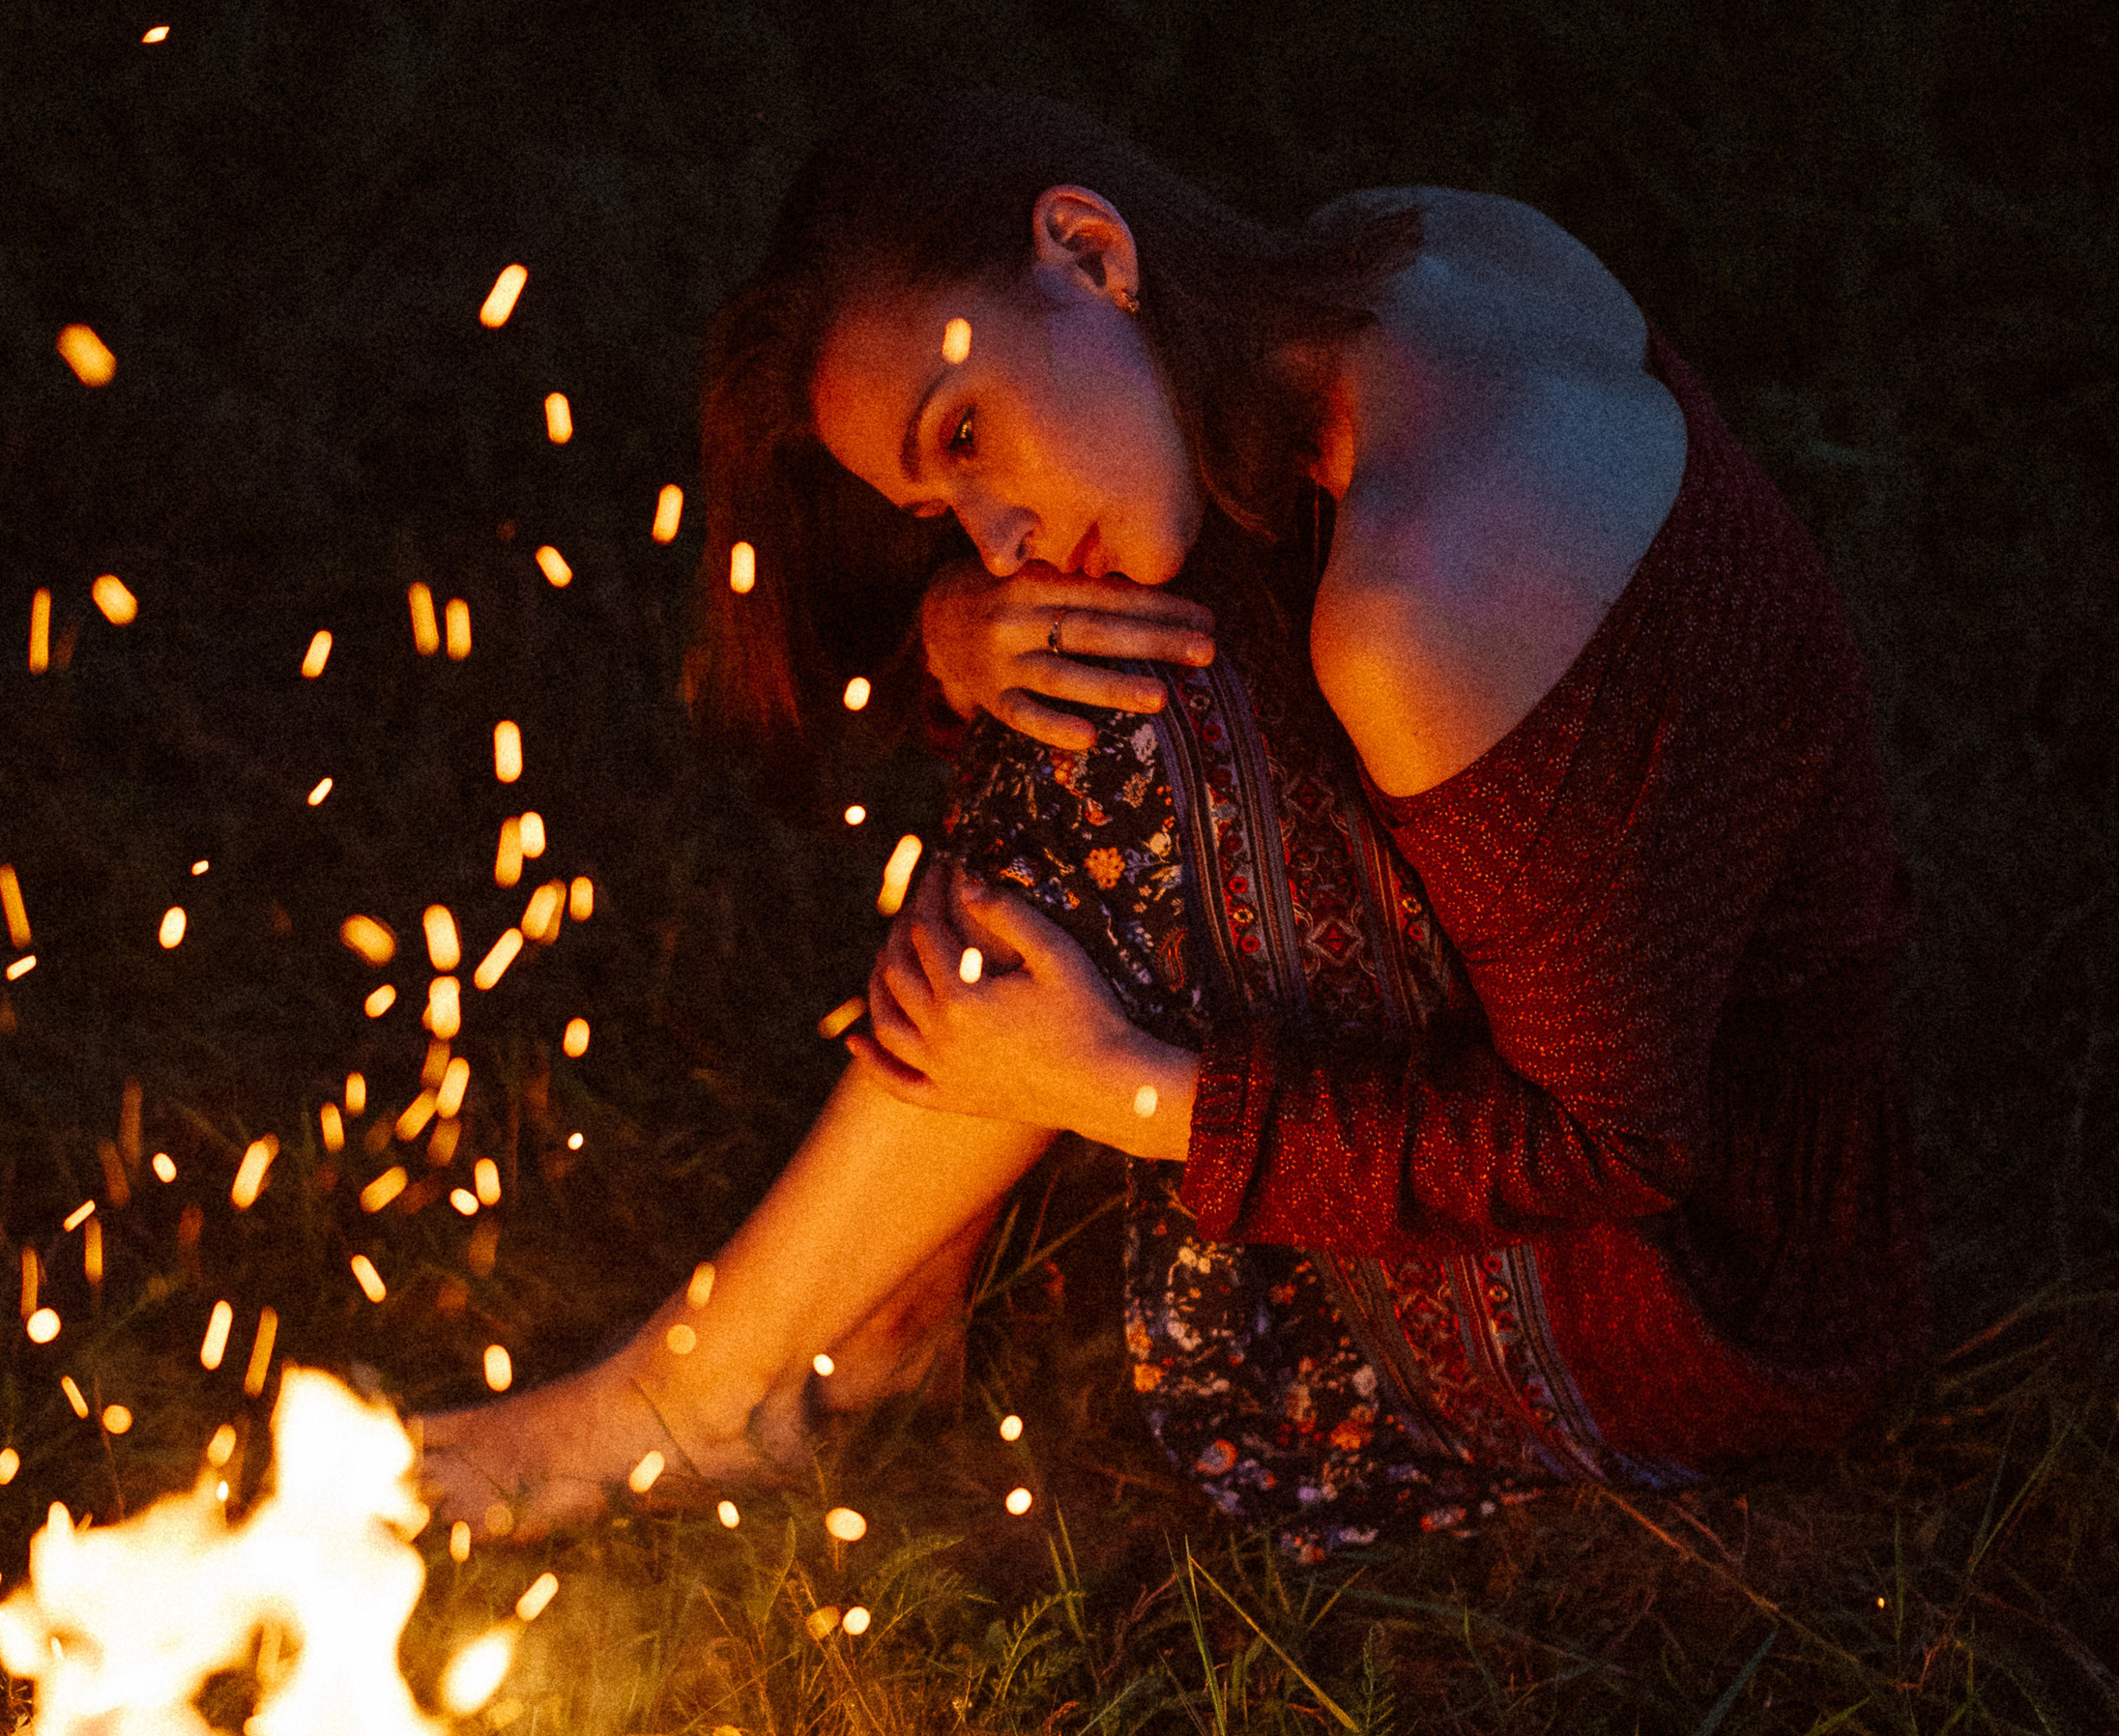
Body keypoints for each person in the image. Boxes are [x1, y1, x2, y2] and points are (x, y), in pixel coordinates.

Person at [418, 89, 1926, 1556]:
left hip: (1708, 1282)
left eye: (967, 434)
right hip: (1731, 1095)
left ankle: (707, 1393)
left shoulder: (1427, 597)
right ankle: (851, 1313)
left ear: (1089, 251)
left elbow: (1608, 1147)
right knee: (1082, 670)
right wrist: (958, 631)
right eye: (941, 513)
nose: (999, 535)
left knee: (1117, 752)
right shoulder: (1411, 258)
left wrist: (1121, 1088)